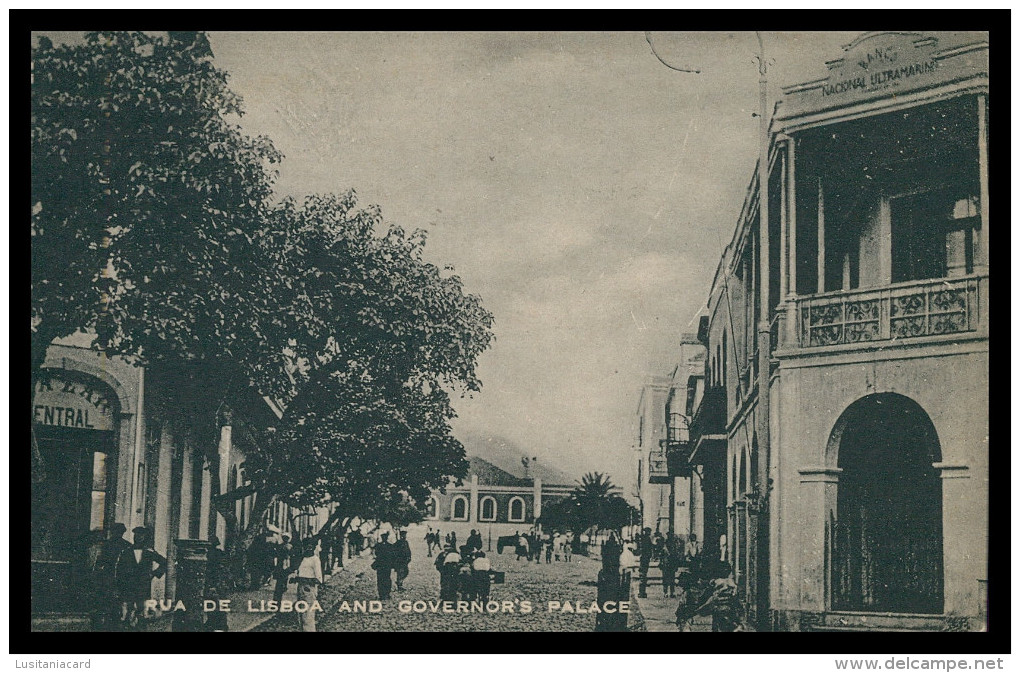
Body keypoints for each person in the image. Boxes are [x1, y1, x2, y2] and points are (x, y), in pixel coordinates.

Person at [115, 526, 166, 630]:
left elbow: (164, 563)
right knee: (126, 611)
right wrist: (119, 585)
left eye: (141, 535)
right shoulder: (126, 552)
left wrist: (153, 574)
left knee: (141, 610)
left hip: (143, 585)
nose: (138, 537)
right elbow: (119, 571)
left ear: (145, 537)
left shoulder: (149, 552)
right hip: (128, 586)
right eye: (136, 535)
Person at [92, 523, 130, 630]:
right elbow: (99, 562)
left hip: (112, 577)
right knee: (113, 602)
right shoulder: (125, 545)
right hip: (112, 577)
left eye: (118, 531)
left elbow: (99, 563)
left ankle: (111, 624)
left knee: (110, 602)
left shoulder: (109, 545)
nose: (116, 533)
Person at [294, 539, 323, 632]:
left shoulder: (315, 560)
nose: (307, 549)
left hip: (309, 589)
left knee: (308, 615)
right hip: (300, 588)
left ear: (314, 548)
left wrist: (301, 579)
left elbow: (318, 579)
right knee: (300, 614)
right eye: (306, 546)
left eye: (310, 547)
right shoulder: (302, 559)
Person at [373, 532, 396, 599]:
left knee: (380, 579)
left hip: (380, 564)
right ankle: (386, 593)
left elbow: (376, 553)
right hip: (387, 565)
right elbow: (393, 555)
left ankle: (382, 594)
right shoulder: (390, 546)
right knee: (387, 579)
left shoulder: (378, 545)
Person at [273, 534, 295, 602]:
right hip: (283, 564)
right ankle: (283, 587)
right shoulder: (288, 546)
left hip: (284, 563)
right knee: (282, 579)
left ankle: (282, 588)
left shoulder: (282, 546)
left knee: (281, 580)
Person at [637, 527, 653, 598]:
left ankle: (642, 592)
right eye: (649, 531)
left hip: (645, 558)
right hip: (645, 559)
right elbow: (647, 548)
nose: (650, 533)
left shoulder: (645, 538)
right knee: (643, 576)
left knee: (643, 575)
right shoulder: (646, 539)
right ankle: (642, 592)